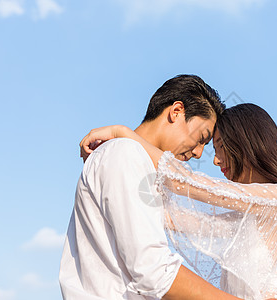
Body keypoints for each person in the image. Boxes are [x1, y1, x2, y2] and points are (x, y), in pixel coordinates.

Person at [80, 103, 277, 300]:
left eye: (220, 146)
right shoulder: (245, 220)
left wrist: (124, 133)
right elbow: (174, 218)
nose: (216, 160)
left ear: (246, 145)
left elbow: (189, 183)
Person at [59, 74, 244, 300]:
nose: (198, 153)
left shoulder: (137, 163)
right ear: (176, 111)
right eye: (201, 138)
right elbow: (153, 270)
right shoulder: (125, 153)